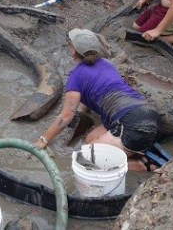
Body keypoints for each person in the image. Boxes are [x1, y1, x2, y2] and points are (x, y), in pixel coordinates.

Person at [33, 29, 160, 172]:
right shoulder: (106, 63)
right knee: (90, 139)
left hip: (133, 125)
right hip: (144, 111)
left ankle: (143, 165)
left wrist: (43, 140)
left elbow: (66, 116)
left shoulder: (76, 76)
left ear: (72, 51)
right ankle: (131, 152)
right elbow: (95, 91)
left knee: (83, 159)